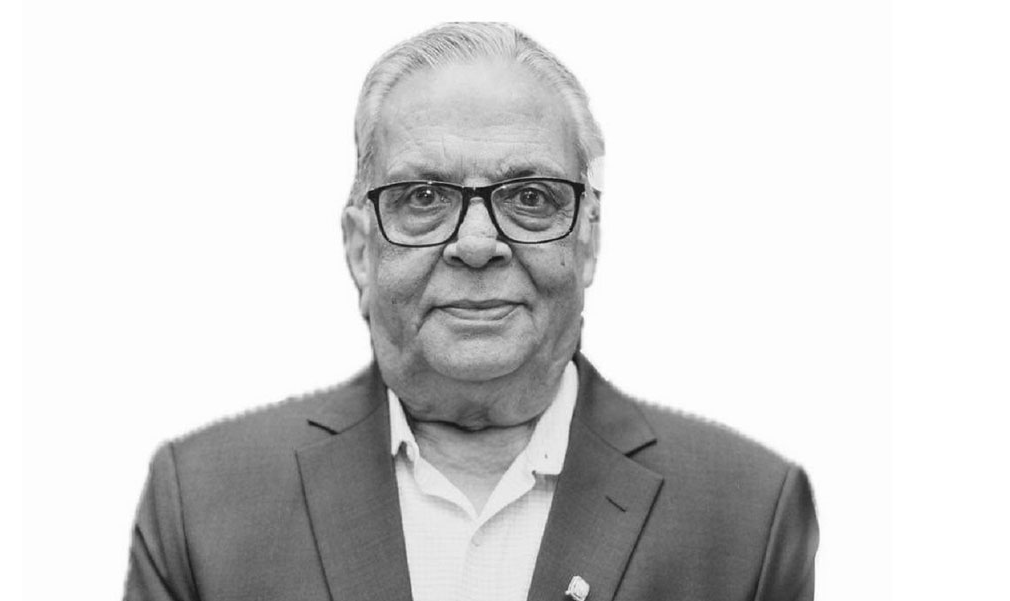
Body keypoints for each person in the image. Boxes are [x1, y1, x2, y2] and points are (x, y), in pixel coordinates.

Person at [124, 22, 818, 601]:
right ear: (360, 250)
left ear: (588, 241)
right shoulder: (202, 508)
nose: (478, 244)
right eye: (424, 198)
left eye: (531, 197)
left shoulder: (747, 517)